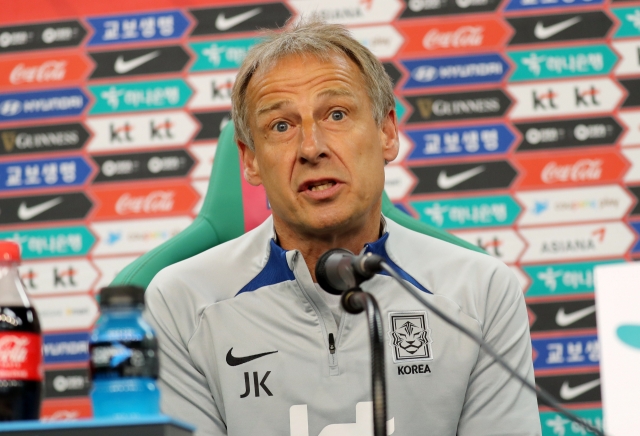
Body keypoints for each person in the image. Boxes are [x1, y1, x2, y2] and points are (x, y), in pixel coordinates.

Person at [144, 19, 541, 436]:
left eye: (336, 114)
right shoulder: (182, 303)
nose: (311, 147)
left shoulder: (479, 292)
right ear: (250, 161)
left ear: (387, 132)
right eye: (281, 126)